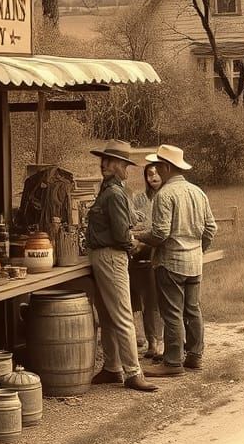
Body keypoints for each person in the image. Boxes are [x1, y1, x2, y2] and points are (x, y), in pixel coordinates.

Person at [85, 139, 157, 393]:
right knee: (105, 313)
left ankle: (133, 372)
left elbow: (119, 233)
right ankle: (112, 366)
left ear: (121, 166)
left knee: (122, 315)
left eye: (111, 161)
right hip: (103, 255)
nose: (104, 164)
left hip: (111, 256)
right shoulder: (108, 190)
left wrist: (132, 245)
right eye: (104, 160)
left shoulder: (115, 193)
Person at [139, 145, 217, 377]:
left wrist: (139, 236)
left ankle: (173, 362)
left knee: (172, 312)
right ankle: (195, 356)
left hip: (171, 261)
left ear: (166, 167)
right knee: (193, 310)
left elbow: (160, 234)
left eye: (159, 166)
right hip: (194, 261)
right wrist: (199, 249)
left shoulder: (165, 194)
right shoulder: (197, 191)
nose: (157, 172)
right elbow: (211, 227)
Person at [130, 164, 164, 360]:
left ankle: (160, 341)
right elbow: (135, 222)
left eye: (156, 173)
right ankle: (150, 341)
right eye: (149, 174)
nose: (153, 176)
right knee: (146, 301)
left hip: (157, 251)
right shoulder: (140, 198)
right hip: (140, 253)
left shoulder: (166, 196)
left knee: (156, 301)